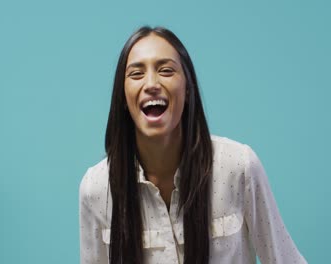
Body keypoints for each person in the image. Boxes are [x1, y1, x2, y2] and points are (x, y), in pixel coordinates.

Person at [79, 26, 307, 264]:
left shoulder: (239, 166)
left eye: (166, 70)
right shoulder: (95, 188)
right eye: (136, 74)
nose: (151, 83)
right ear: (123, 97)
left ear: (188, 89)